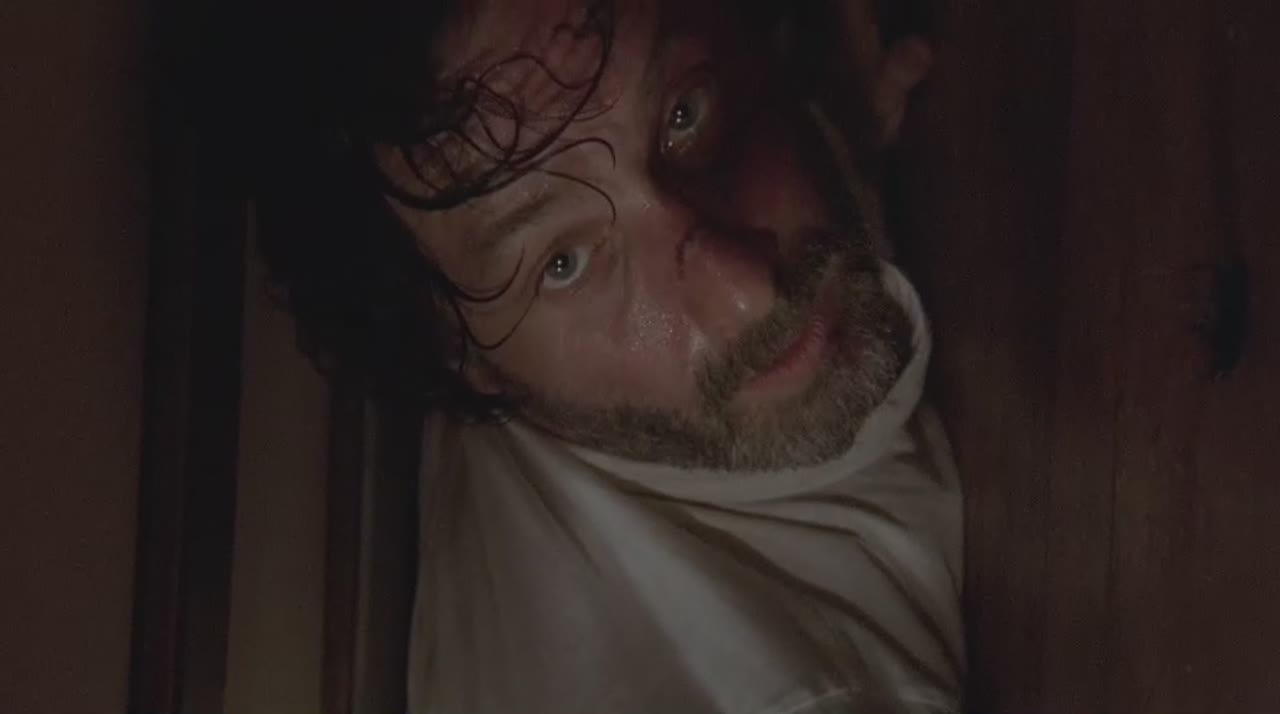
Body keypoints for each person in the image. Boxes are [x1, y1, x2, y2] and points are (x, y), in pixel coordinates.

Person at [250, 0, 962, 711]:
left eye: (684, 115)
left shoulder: (483, 303)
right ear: (461, 363)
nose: (746, 293)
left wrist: (824, 132)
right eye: (566, 263)